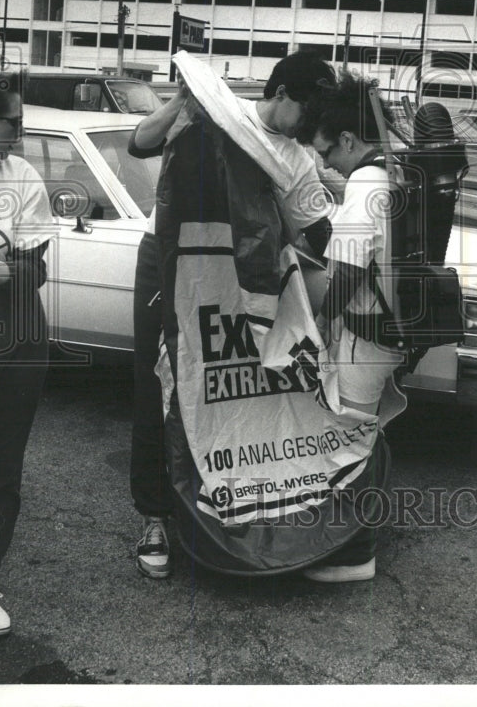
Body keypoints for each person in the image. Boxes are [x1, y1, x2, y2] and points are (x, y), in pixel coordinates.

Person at [127, 53, 336, 579]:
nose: (312, 123)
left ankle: (211, 508)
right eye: (308, 108)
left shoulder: (297, 158)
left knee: (226, 387)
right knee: (159, 382)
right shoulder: (219, 112)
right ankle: (154, 515)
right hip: (172, 262)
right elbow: (141, 142)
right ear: (282, 91)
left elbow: (318, 233)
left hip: (242, 278)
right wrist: (184, 99)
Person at [300, 73, 408, 583]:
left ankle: (353, 553)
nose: (325, 164)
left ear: (348, 139)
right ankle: (363, 532)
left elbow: (346, 270)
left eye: (327, 152)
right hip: (395, 329)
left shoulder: (364, 181)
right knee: (370, 431)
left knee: (351, 437)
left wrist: (321, 324)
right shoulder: (395, 168)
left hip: (366, 335)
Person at [0, 68, 53, 634]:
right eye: (12, 123)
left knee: (1, 463)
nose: (19, 135)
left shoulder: (18, 175)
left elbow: (36, 266)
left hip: (16, 335)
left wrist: (5, 270)